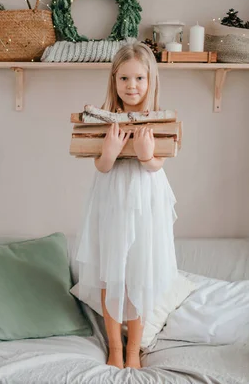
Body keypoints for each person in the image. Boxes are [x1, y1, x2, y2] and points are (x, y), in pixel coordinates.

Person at [74, 41, 178, 369]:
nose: (131, 86)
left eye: (139, 79)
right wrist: (110, 150)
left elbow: (157, 164)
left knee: (138, 272)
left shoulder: (156, 120)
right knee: (112, 273)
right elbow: (102, 166)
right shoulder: (107, 121)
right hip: (114, 199)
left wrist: (146, 154)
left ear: (150, 81)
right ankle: (115, 348)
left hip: (145, 200)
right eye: (124, 79)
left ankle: (133, 348)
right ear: (114, 81)